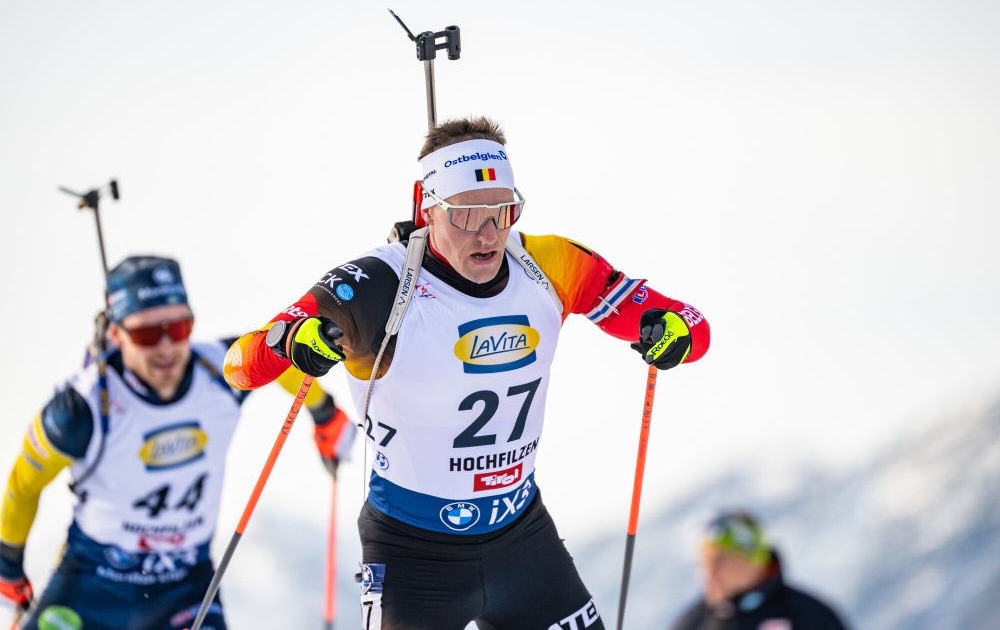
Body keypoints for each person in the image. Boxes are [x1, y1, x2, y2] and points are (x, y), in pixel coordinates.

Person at [223, 116, 711, 630]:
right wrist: (292, 342)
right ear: (428, 210)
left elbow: (692, 329)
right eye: (465, 216)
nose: (488, 234)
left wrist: (673, 331)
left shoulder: (548, 264)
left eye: (503, 212)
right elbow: (240, 366)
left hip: (522, 540)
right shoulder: (377, 284)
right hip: (413, 554)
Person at [0, 256, 355, 630]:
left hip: (183, 585)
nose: (167, 347)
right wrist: (8, 567)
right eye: (148, 335)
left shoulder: (219, 371)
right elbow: (25, 485)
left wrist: (324, 413)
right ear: (117, 335)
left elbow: (280, 361)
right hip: (92, 583)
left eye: (179, 327)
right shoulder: (81, 407)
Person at [671, 510, 850, 630]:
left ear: (752, 560)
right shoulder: (693, 623)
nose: (708, 573)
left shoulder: (809, 616)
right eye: (701, 563)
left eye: (720, 561)